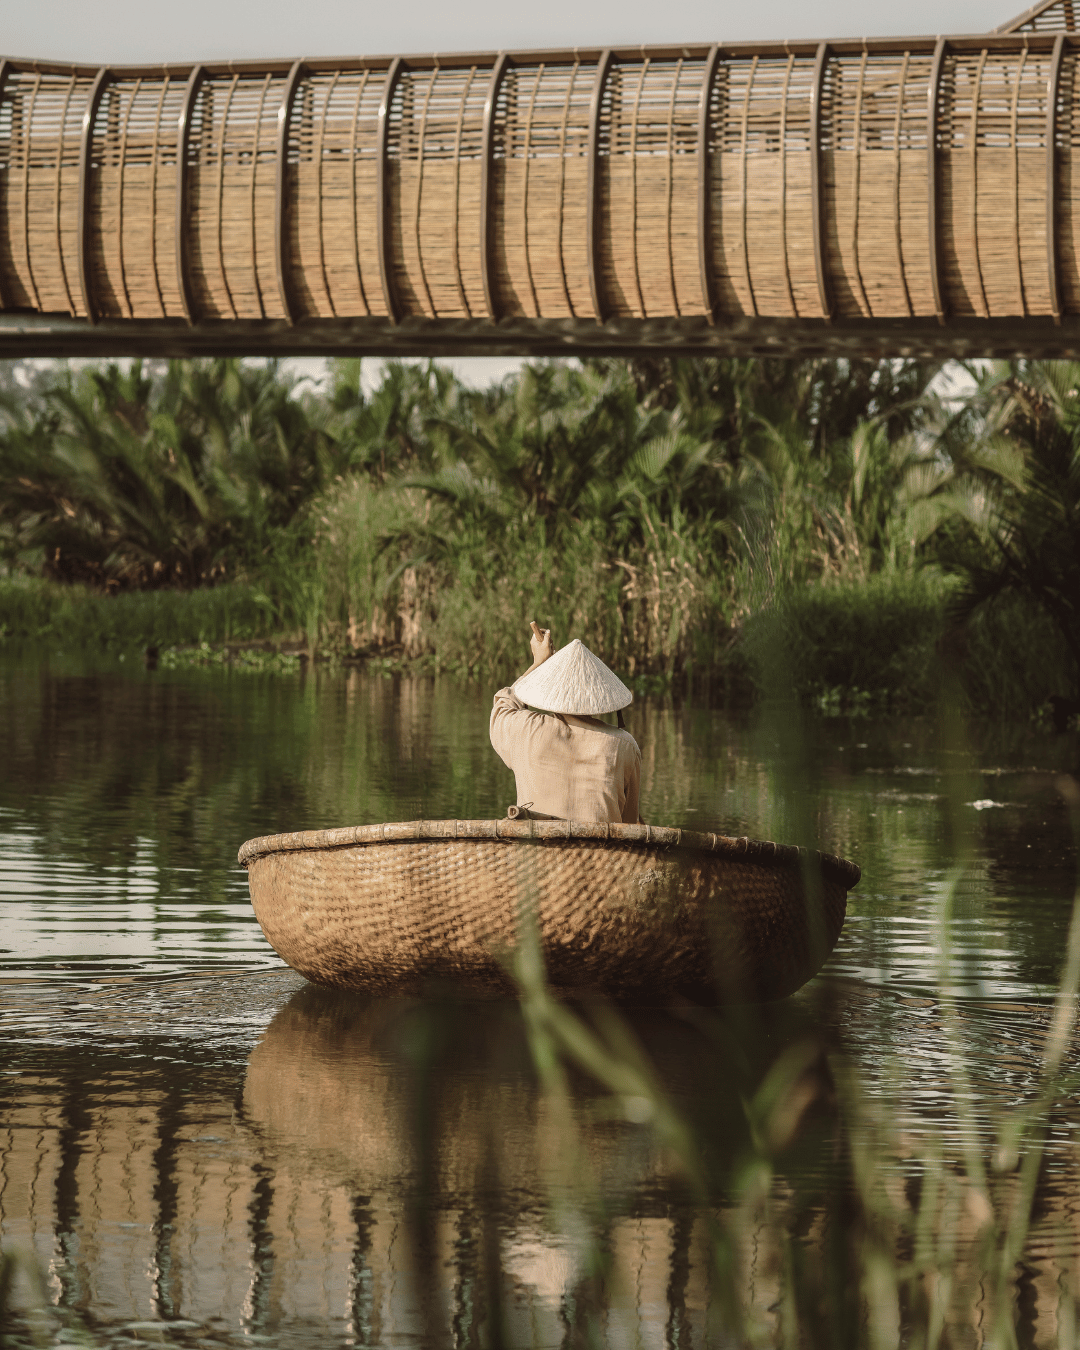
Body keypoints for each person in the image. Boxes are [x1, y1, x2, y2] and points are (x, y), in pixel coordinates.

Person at [489, 623, 641, 824]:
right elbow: (629, 824)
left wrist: (539, 662)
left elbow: (503, 706)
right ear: (598, 697)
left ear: (551, 690)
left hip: (537, 852)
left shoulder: (526, 730)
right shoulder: (626, 746)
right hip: (600, 855)